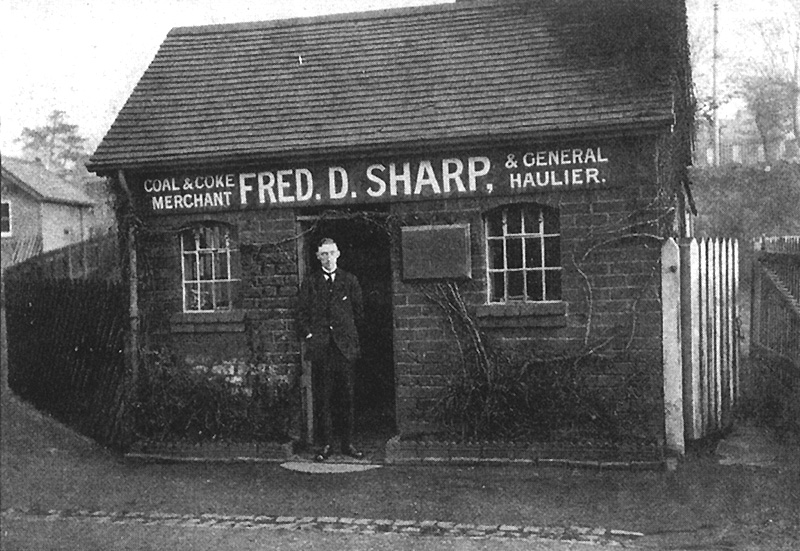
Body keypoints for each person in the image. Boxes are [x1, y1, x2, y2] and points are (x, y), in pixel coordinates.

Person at [298, 237, 365, 461]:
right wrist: (310, 335)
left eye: (331, 253)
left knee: (346, 396)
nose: (328, 258)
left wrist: (348, 336)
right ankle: (325, 444)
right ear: (318, 257)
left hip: (344, 348)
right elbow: (302, 313)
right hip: (322, 348)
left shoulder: (350, 280)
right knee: (323, 397)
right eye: (323, 254)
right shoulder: (311, 282)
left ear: (338, 254)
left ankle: (348, 443)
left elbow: (359, 313)